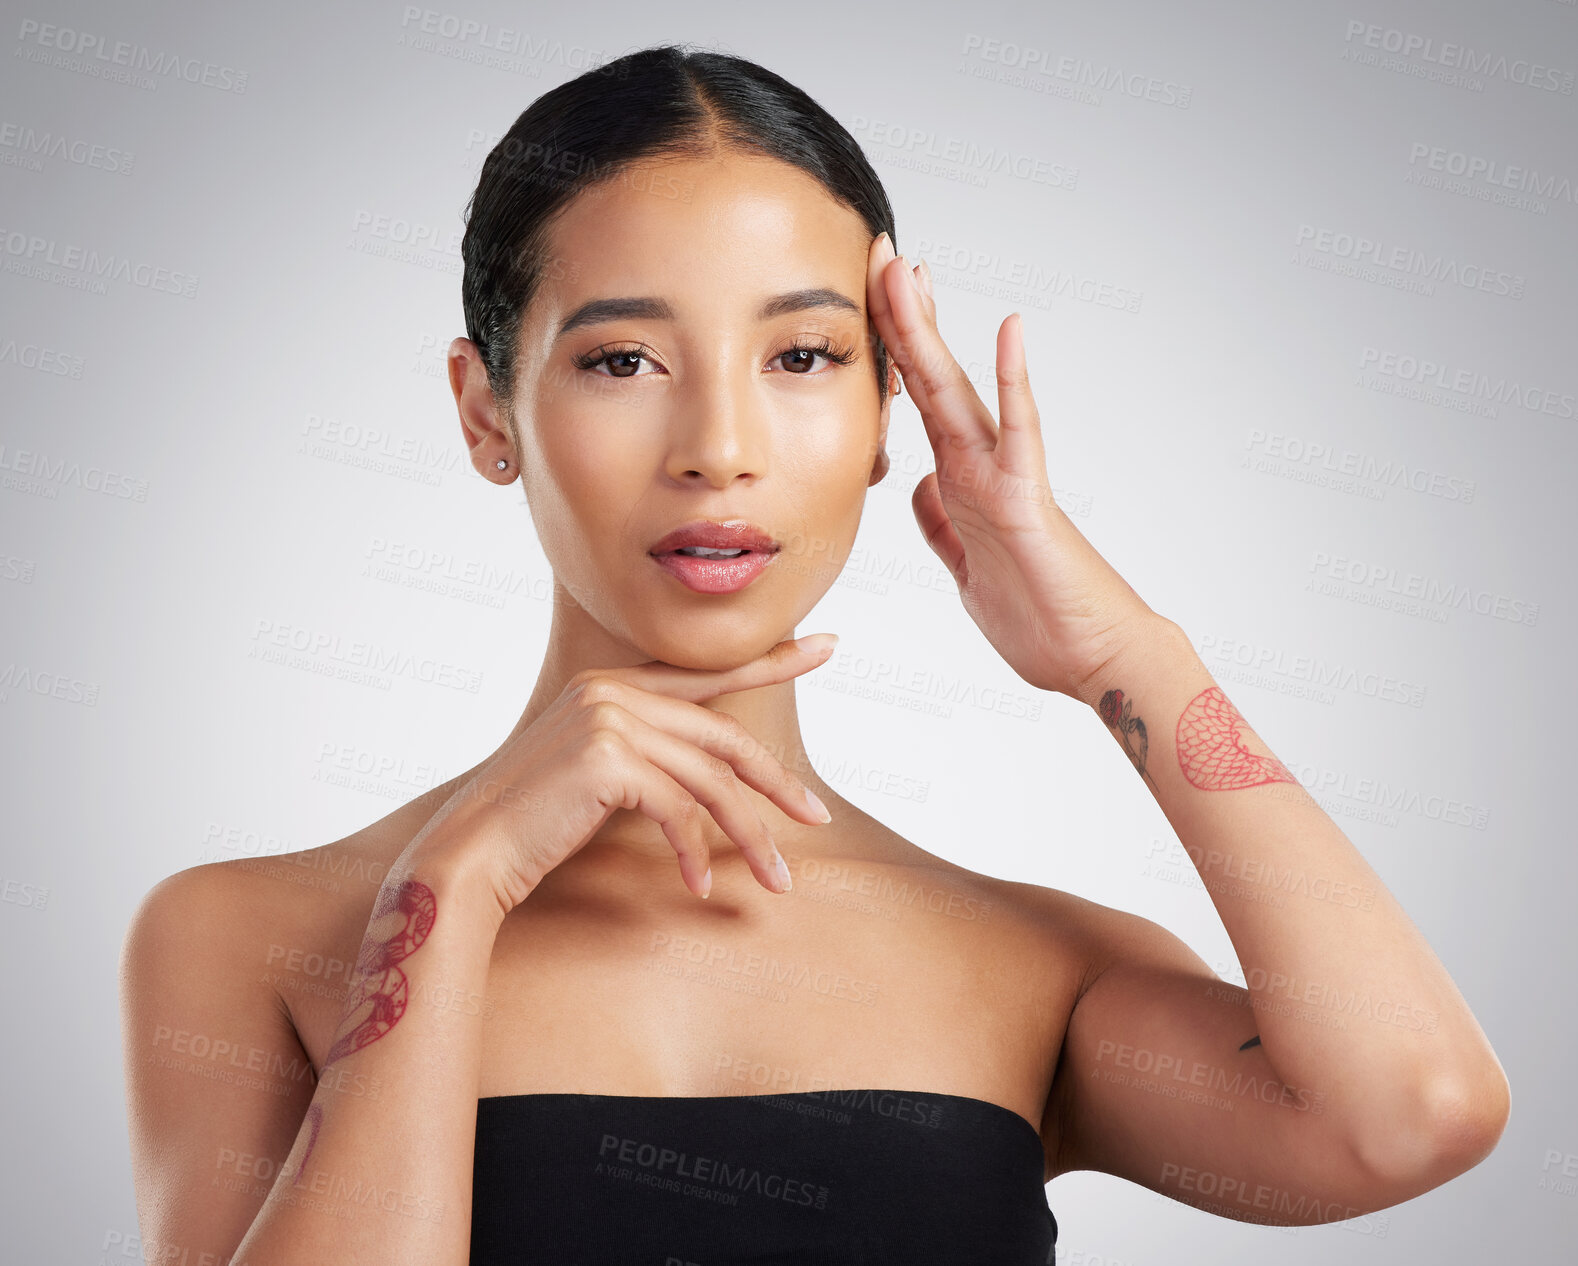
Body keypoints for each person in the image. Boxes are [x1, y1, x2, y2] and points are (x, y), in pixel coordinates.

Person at [119, 43, 1511, 1264]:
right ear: (487, 411)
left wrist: (1125, 650)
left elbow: (1413, 1114)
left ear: (882, 413)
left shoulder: (1035, 963)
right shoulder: (244, 938)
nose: (718, 445)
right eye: (621, 361)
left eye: (801, 357)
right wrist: (461, 876)